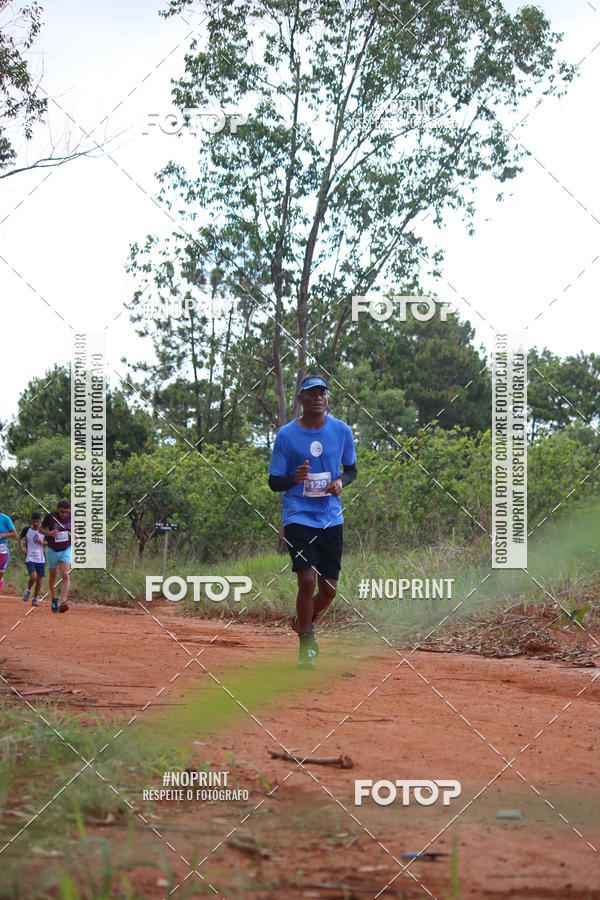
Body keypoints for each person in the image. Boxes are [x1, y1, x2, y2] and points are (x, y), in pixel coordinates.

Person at [268, 374, 357, 669]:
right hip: (298, 515)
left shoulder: (342, 431)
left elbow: (351, 470)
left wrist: (341, 482)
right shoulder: (286, 436)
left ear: (327, 398)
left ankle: (302, 622)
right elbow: (273, 482)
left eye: (322, 393)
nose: (318, 397)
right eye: (311, 393)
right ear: (300, 399)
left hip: (330, 517)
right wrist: (294, 478)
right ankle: (306, 647)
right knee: (306, 581)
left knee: (329, 590)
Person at [41, 499, 71, 613]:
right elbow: (40, 529)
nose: (64, 514)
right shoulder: (50, 517)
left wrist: (73, 535)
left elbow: (76, 531)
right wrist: (49, 533)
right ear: (58, 510)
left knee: (65, 574)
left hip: (66, 549)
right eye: (61, 512)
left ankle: (63, 602)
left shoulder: (72, 518)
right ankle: (54, 598)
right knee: (53, 576)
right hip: (52, 550)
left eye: (66, 512)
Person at [19, 512, 47, 606]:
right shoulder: (27, 529)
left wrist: (42, 543)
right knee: (33, 576)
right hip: (30, 557)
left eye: (38, 522)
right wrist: (22, 548)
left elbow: (49, 543)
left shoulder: (44, 530)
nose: (36, 524)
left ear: (40, 521)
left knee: (39, 580)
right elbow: (20, 538)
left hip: (40, 558)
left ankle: (35, 598)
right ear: (31, 521)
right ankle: (28, 590)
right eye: (34, 521)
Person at [0, 511, 18, 593]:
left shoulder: (4, 518)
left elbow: (14, 534)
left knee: (0, 574)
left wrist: (3, 535)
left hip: (2, 549)